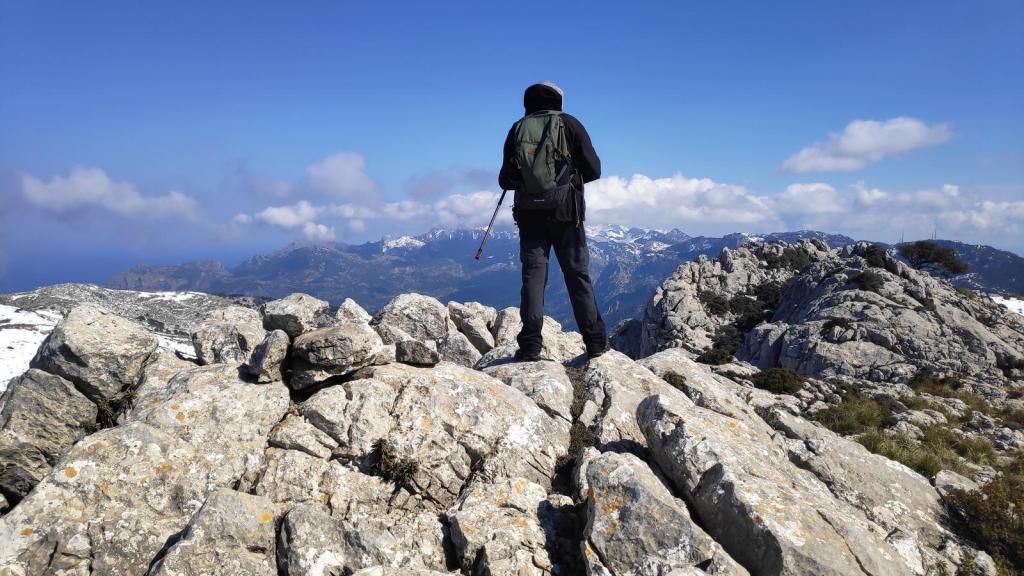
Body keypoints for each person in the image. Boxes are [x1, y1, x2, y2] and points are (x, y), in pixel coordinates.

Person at [498, 81, 608, 361]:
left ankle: (531, 345)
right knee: (577, 275)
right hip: (566, 213)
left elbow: (504, 178)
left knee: (533, 277)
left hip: (529, 215)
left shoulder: (517, 129)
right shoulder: (569, 124)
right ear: (558, 100)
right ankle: (595, 343)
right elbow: (594, 169)